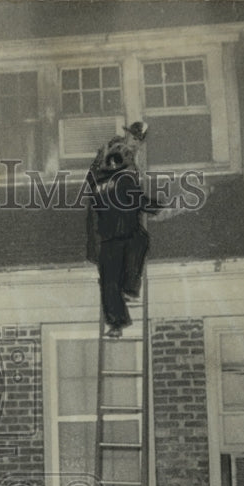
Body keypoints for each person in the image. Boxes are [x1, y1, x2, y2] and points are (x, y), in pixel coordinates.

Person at [86, 121, 175, 337]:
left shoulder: (116, 159)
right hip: (113, 220)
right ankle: (128, 291)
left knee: (113, 273)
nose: (136, 145)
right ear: (127, 137)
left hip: (112, 221)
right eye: (134, 139)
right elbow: (132, 195)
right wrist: (158, 207)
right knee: (134, 244)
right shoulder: (119, 156)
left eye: (139, 141)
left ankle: (118, 318)